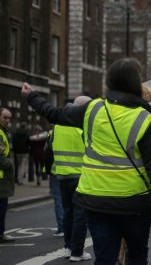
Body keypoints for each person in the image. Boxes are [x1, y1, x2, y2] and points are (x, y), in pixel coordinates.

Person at [22, 58, 151, 265]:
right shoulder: (145, 119)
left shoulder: (93, 109)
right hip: (135, 203)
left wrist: (31, 96)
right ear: (136, 83)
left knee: (104, 258)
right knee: (138, 256)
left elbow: (54, 114)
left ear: (110, 82)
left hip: (96, 200)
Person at [44, 96, 92, 261]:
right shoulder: (82, 125)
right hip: (80, 175)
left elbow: (48, 149)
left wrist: (46, 170)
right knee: (80, 215)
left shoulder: (57, 126)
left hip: (62, 175)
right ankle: (77, 252)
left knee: (68, 212)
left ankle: (68, 247)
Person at [0, 108, 15, 243]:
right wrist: (9, 165)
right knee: (1, 207)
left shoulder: (4, 132)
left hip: (3, 177)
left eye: (9, 118)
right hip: (1, 177)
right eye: (5, 117)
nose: (7, 121)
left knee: (3, 207)